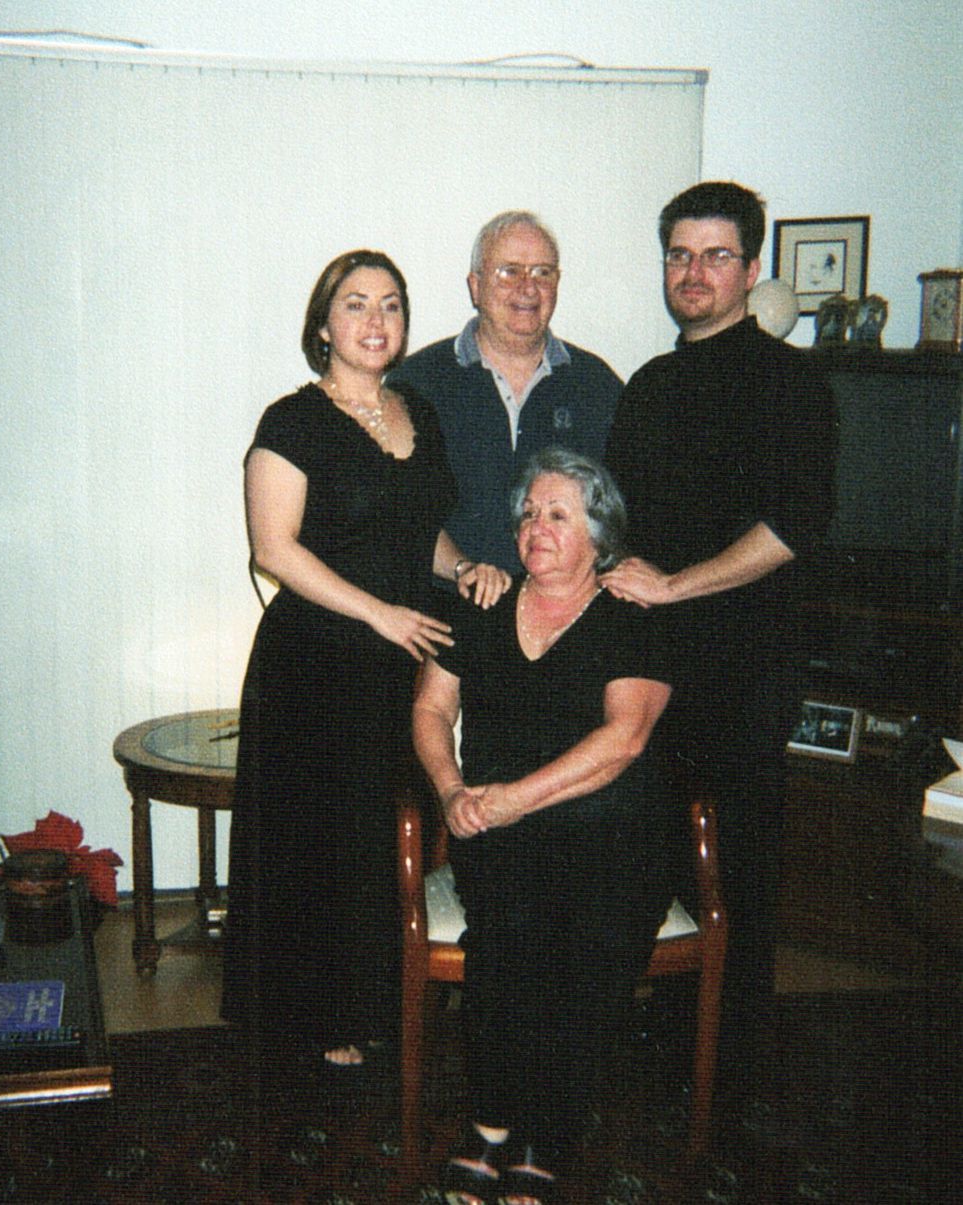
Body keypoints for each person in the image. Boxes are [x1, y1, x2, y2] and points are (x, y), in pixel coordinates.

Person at [221, 250, 509, 1067]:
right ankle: (318, 1017)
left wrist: (462, 566)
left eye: (390, 305)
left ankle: (382, 999)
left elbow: (420, 530)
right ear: (323, 325)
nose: (375, 321)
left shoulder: (416, 409)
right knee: (322, 842)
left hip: (399, 657)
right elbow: (274, 547)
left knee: (385, 835)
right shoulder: (292, 421)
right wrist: (377, 612)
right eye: (355, 304)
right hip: (314, 662)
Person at [602, 181, 838, 1084]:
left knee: (734, 872)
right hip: (650, 667)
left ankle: (730, 1064)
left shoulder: (791, 384)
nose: (693, 273)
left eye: (714, 255)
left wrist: (673, 586)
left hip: (744, 665)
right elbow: (617, 519)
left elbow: (790, 527)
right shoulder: (649, 385)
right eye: (679, 255)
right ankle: (664, 1035)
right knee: (653, 854)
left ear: (750, 269)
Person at [413, 448, 674, 1202]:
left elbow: (623, 739)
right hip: (497, 828)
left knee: (581, 931)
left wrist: (512, 799)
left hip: (610, 830)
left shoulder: (634, 615)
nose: (536, 527)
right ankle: (494, 1121)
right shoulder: (480, 604)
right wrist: (451, 789)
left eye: (558, 514)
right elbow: (430, 708)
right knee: (506, 925)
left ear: (599, 533)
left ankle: (543, 1128)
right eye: (528, 513)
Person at [389, 211, 623, 574]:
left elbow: (620, 514)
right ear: (475, 286)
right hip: (447, 597)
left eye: (542, 272)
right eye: (509, 271)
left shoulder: (597, 385)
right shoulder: (417, 383)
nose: (528, 288)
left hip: (562, 602)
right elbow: (396, 512)